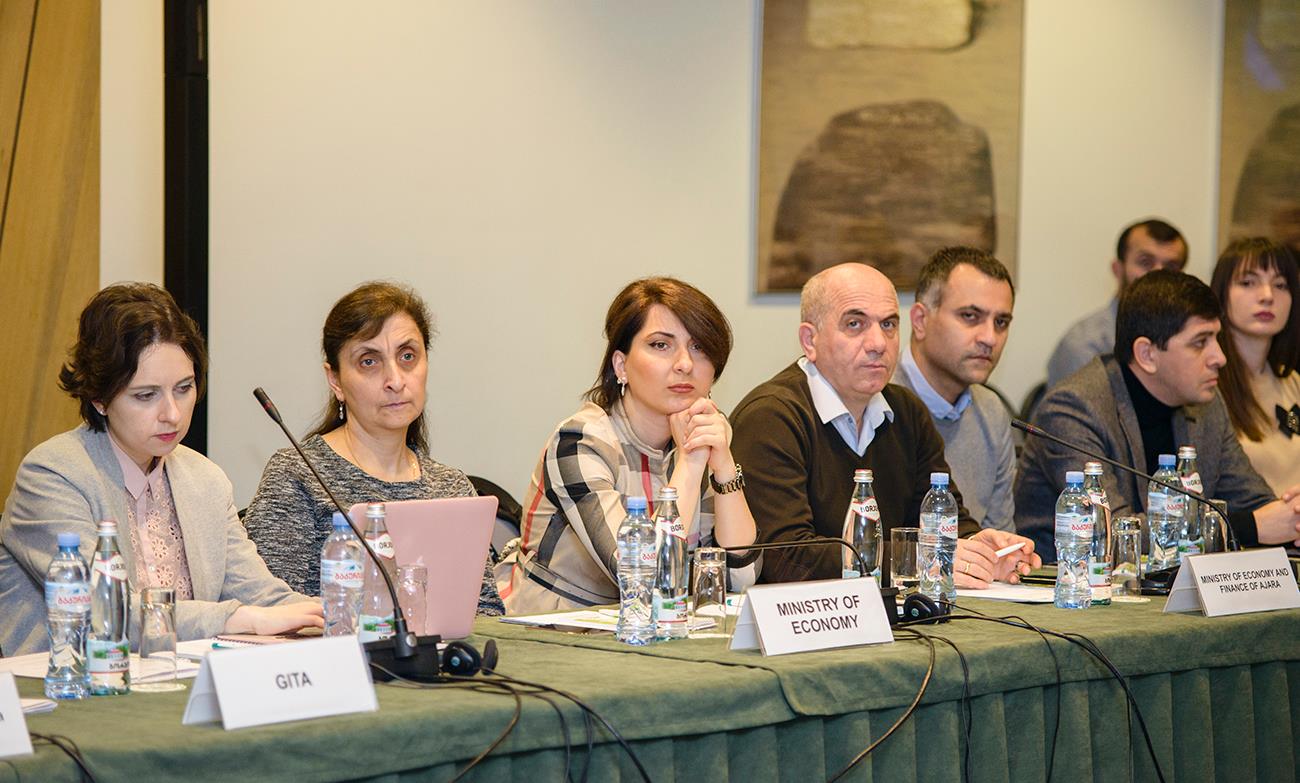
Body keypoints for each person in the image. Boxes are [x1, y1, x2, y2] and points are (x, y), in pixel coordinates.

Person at [0, 283, 322, 656]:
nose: (172, 413)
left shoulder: (206, 480)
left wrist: (335, 615)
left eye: (184, 389)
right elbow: (108, 612)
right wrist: (238, 619)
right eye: (146, 395)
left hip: (180, 679)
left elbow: (259, 594)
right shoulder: (53, 475)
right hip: (73, 683)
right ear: (99, 399)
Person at [730, 262, 1039, 586]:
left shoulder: (907, 411)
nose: (878, 343)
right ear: (810, 340)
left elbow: (938, 519)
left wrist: (979, 549)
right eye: (855, 324)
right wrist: (917, 558)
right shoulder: (770, 418)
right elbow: (786, 558)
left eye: (889, 324)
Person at [244, 282, 504, 615]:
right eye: (369, 362)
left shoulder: (452, 488)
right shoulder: (297, 475)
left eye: (407, 356)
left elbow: (485, 612)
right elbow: (270, 609)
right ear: (335, 381)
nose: (395, 380)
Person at [504, 277, 759, 613]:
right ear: (621, 365)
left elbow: (740, 579)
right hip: (558, 628)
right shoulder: (579, 442)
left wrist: (724, 466)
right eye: (661, 345)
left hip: (657, 630)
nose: (685, 364)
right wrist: (691, 463)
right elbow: (644, 581)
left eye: (699, 347)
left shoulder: (700, 436)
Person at [1016, 270, 1300, 560]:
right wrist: (1249, 527)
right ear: (1147, 354)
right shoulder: (1074, 408)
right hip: (1066, 580)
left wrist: (1292, 514)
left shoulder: (1207, 404)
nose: (1220, 357)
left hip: (1168, 582)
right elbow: (1112, 533)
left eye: (1217, 338)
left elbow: (1252, 501)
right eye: (1200, 342)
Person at [892, 247, 1017, 532]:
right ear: (920, 321)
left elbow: (998, 541)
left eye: (1001, 322)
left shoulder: (992, 412)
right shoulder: (875, 402)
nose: (989, 338)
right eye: (970, 316)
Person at [1046, 219, 1187, 388]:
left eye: (1171, 267)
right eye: (1145, 262)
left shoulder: (1191, 340)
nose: (1159, 275)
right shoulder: (1085, 345)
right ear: (1118, 269)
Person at [1210, 237, 1300, 494]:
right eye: (1248, 283)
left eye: (1280, 285)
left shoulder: (1292, 380)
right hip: (1250, 518)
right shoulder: (1207, 386)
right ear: (1221, 293)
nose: (1267, 296)